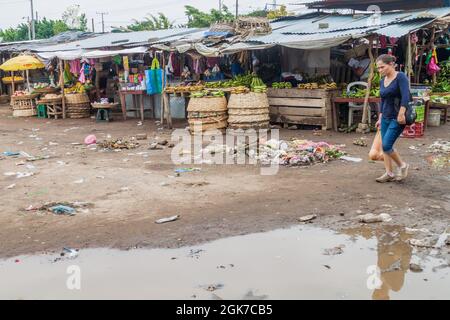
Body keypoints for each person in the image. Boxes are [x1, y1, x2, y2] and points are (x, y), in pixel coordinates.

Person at [375, 54, 410, 183]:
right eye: (378, 68)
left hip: (397, 117)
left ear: (391, 64)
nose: (380, 70)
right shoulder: (382, 81)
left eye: (382, 67)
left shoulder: (400, 77)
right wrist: (380, 117)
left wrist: (401, 113)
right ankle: (389, 173)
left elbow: (406, 96)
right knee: (385, 148)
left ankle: (402, 165)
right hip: (385, 117)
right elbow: (382, 100)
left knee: (386, 145)